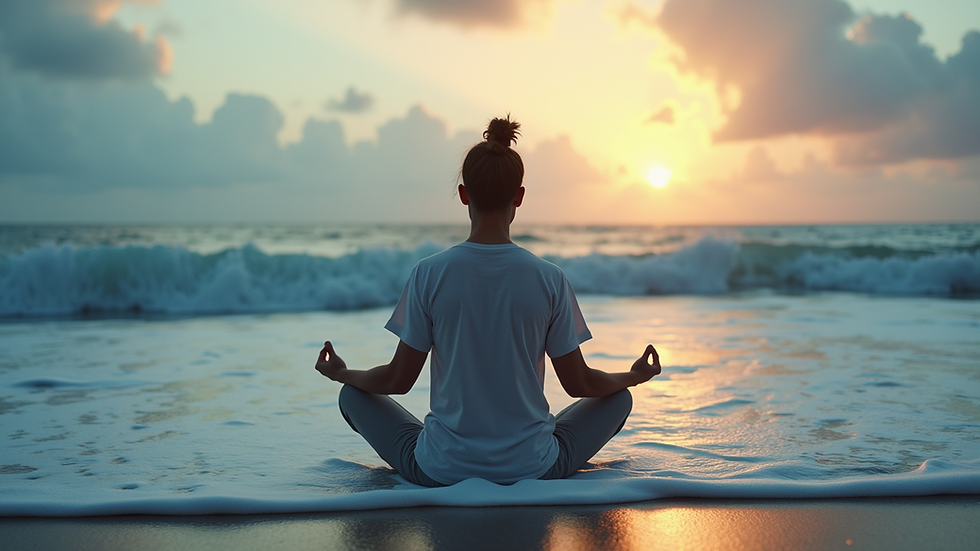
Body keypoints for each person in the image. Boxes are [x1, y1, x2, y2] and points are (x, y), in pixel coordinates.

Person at [315, 115, 661, 487]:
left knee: (353, 396)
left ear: (464, 194)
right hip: (534, 467)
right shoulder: (549, 278)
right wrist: (634, 376)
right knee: (619, 398)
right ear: (519, 197)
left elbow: (398, 380)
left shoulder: (429, 273)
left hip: (441, 470)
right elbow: (578, 383)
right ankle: (525, 448)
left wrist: (342, 374)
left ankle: (447, 452)